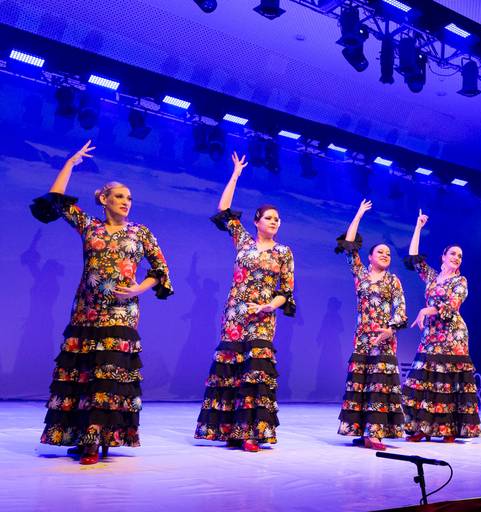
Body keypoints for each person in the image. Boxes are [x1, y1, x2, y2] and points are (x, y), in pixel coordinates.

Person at [30, 140, 173, 465]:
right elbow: (56, 199)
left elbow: (161, 271)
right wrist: (70, 163)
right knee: (84, 374)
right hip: (86, 311)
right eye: (119, 196)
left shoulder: (140, 233)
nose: (126, 202)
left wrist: (138, 290)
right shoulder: (89, 226)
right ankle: (82, 436)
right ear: (104, 199)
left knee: (108, 375)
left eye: (129, 198)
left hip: (121, 313)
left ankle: (95, 440)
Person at [194, 152, 296, 452]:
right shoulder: (243, 241)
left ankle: (251, 433)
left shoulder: (284, 252)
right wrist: (236, 175)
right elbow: (224, 209)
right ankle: (230, 430)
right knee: (231, 370)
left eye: (277, 219)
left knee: (256, 373)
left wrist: (270, 306)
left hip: (263, 317)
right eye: (269, 217)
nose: (274, 221)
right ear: (256, 221)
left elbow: (286, 290)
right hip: (236, 314)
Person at [401, 210, 481, 442]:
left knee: (448, 381)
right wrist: (418, 227)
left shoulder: (460, 280)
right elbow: (414, 256)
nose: (457, 257)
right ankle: (422, 428)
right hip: (432, 334)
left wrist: (426, 310)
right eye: (453, 253)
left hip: (453, 334)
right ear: (443, 256)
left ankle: (449, 429)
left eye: (460, 256)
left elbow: (453, 305)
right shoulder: (432, 277)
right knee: (426, 379)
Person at [335, 200, 407, 450]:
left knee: (379, 385)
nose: (385, 255)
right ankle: (362, 431)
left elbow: (401, 308)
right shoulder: (361, 275)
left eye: (388, 253)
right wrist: (358, 215)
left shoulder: (393, 280)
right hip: (363, 338)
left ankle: (374, 433)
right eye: (380, 252)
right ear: (369, 257)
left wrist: (390, 329)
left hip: (384, 339)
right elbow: (349, 244)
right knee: (361, 384)